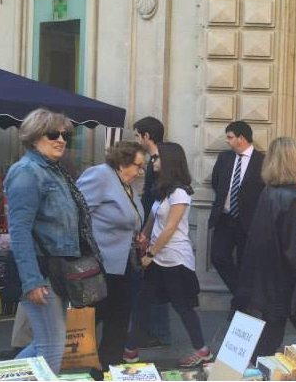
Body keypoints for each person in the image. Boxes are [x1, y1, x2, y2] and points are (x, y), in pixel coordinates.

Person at [7, 109, 97, 374]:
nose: (61, 140)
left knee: (46, 343)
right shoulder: (27, 172)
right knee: (54, 346)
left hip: (57, 269)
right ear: (35, 137)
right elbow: (19, 230)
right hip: (40, 270)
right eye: (53, 134)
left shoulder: (53, 171)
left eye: (65, 134)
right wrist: (32, 281)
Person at [126, 142, 212, 367]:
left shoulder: (180, 192)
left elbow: (171, 227)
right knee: (142, 303)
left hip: (174, 259)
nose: (153, 161)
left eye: (157, 158)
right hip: (157, 257)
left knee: (182, 307)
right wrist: (143, 236)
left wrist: (150, 254)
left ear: (170, 161)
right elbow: (154, 220)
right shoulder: (163, 192)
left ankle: (202, 350)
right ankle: (130, 351)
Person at [238, 137, 296, 359]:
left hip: (267, 278)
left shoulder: (268, 192)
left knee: (269, 338)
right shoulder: (292, 197)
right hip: (287, 281)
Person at [77, 141, 148, 369]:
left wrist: (135, 234)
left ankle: (108, 371)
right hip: (100, 265)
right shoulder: (100, 175)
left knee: (118, 321)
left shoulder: (126, 184)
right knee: (91, 319)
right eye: (138, 166)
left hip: (124, 264)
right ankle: (46, 358)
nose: (140, 172)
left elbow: (128, 217)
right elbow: (76, 213)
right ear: (121, 162)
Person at [209, 121, 266, 313]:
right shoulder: (225, 158)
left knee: (246, 264)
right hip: (225, 218)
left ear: (241, 138)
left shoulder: (262, 161)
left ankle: (241, 306)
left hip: (248, 221)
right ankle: (243, 297)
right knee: (217, 256)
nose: (227, 141)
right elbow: (216, 182)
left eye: (230, 137)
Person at [131, 117, 172, 348]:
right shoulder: (153, 160)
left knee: (158, 282)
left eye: (137, 135)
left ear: (147, 136)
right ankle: (154, 330)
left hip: (157, 226)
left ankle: (160, 332)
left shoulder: (160, 161)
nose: (136, 140)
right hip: (151, 223)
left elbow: (155, 196)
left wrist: (146, 227)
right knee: (154, 282)